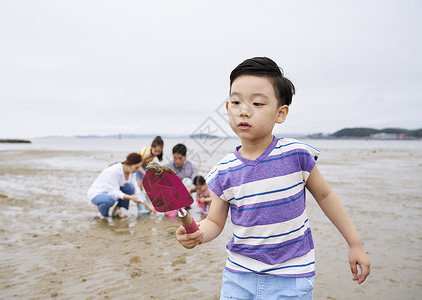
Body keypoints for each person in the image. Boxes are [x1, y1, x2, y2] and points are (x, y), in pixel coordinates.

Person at [176, 57, 371, 299]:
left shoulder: (295, 154)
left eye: (257, 103)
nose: (244, 110)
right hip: (238, 276)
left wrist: (355, 243)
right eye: (236, 102)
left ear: (281, 113)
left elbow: (325, 195)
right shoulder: (223, 170)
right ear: (227, 108)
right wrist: (198, 233)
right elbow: (215, 222)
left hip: (292, 276)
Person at [87, 153, 156, 218]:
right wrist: (130, 197)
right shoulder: (114, 170)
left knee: (130, 188)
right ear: (129, 164)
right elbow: (113, 191)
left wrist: (149, 206)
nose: (138, 170)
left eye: (139, 167)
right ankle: (100, 211)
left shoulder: (131, 172)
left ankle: (117, 210)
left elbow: (137, 191)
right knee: (110, 203)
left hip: (112, 193)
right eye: (136, 167)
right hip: (98, 194)